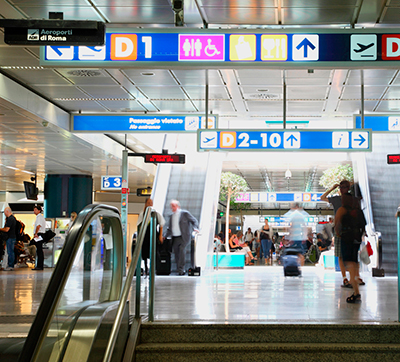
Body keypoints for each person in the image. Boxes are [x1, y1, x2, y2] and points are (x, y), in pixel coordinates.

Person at [321, 180, 365, 287]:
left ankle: (354, 277)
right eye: (341, 187)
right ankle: (346, 278)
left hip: (351, 229)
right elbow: (322, 197)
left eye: (344, 187)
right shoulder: (336, 199)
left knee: (352, 254)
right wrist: (332, 188)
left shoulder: (352, 199)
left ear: (348, 188)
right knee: (341, 255)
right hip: (340, 230)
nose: (342, 189)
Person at [335, 193, 366, 303]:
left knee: (349, 262)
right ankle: (356, 280)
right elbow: (363, 225)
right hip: (356, 239)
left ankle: (356, 291)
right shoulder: (358, 210)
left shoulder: (342, 210)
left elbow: (337, 224)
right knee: (354, 261)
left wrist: (339, 234)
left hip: (346, 238)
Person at [164, 200, 199, 276]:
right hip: (175, 237)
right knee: (176, 253)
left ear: (178, 206)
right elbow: (169, 228)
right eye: (171, 206)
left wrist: (195, 228)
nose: (172, 208)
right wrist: (165, 236)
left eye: (173, 206)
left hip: (184, 237)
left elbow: (194, 221)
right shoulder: (171, 216)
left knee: (182, 250)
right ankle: (178, 268)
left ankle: (181, 269)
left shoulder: (184, 214)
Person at [137, 198, 164, 277]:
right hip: (145, 236)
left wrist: (160, 236)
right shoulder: (142, 214)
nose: (150, 204)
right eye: (148, 202)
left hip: (153, 235)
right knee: (145, 253)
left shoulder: (155, 213)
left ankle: (153, 269)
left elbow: (161, 224)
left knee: (154, 252)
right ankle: (146, 268)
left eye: (151, 203)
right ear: (145, 204)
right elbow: (139, 225)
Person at [0, 207, 17, 271]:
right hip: (12, 237)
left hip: (10, 237)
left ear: (7, 211)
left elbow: (7, 229)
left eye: (4, 212)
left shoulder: (10, 219)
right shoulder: (13, 218)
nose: (4, 214)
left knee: (10, 252)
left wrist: (0, 229)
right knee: (10, 251)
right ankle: (10, 265)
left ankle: (11, 265)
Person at [31, 205, 46, 271]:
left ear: (39, 210)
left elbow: (38, 226)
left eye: (35, 209)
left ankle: (40, 266)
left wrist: (36, 233)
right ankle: (39, 265)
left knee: (39, 250)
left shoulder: (39, 217)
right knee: (39, 250)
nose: (34, 211)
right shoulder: (39, 217)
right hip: (39, 234)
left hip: (39, 234)